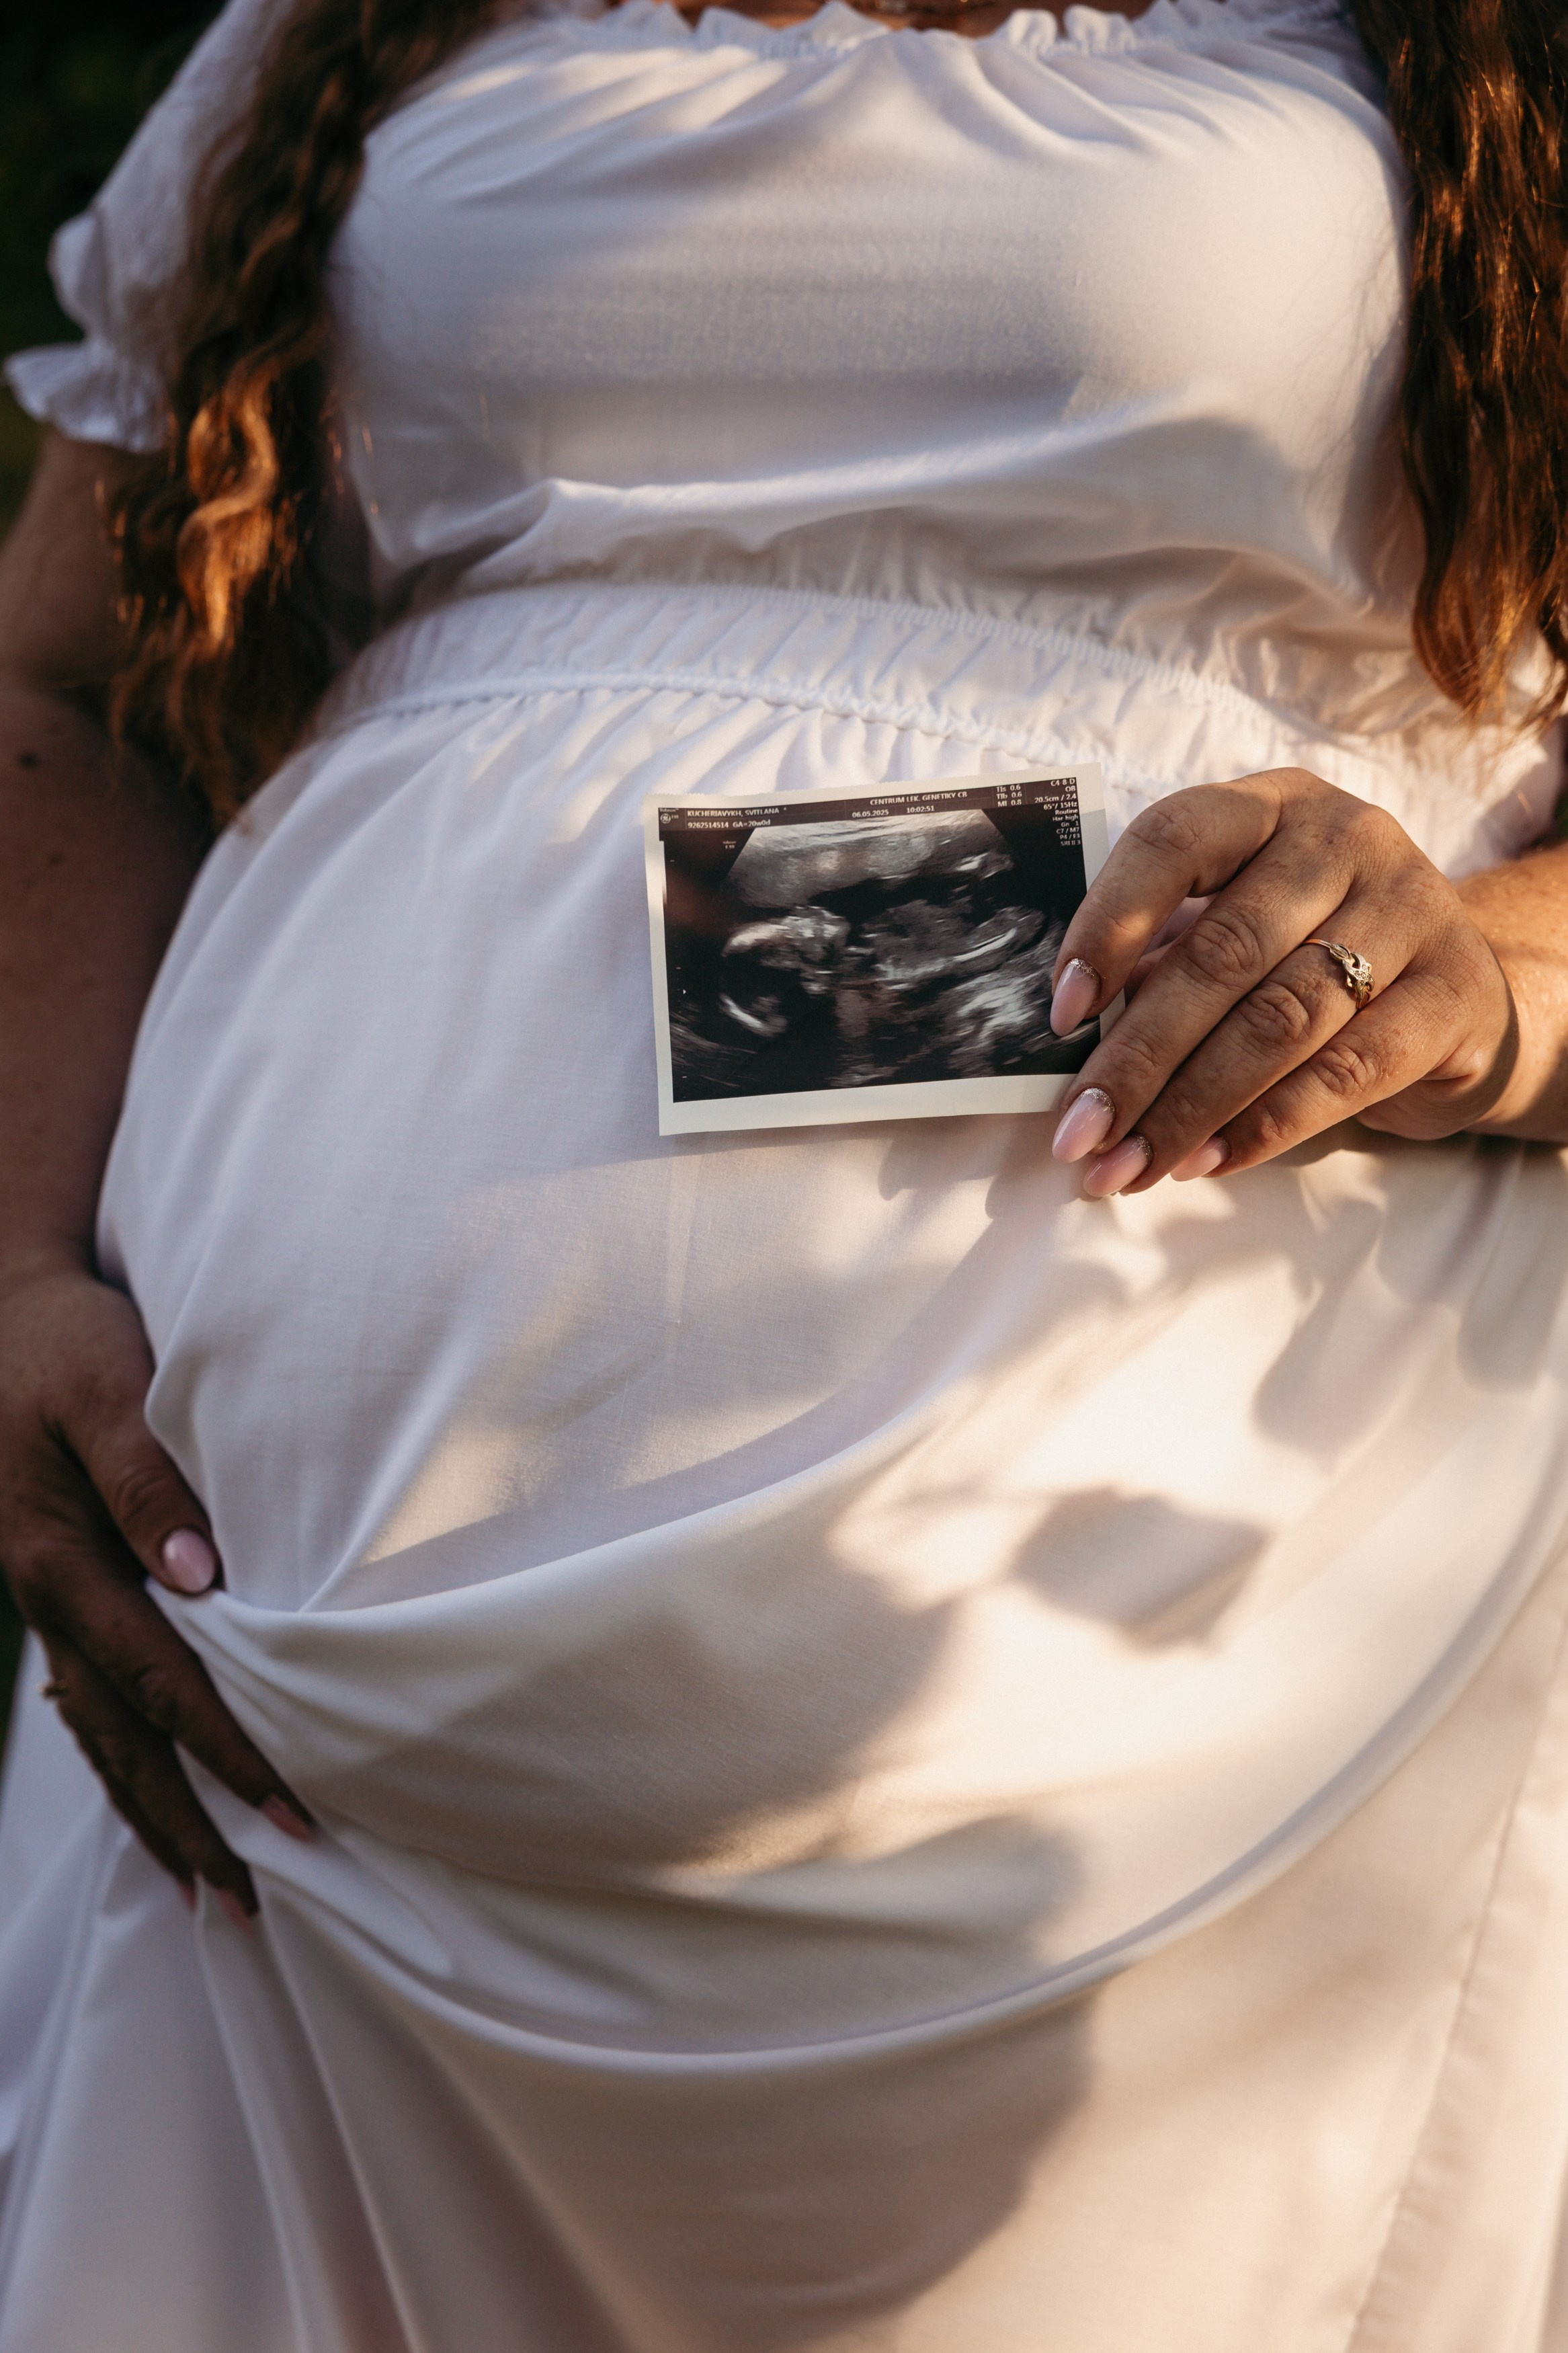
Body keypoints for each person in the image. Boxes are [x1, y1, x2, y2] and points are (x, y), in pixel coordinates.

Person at [3, 0, 1568, 2340]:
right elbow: (61, 686)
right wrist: (16, 1259)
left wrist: (1487, 975)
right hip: (300, 1705)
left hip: (1197, 1642)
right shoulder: (354, 29)